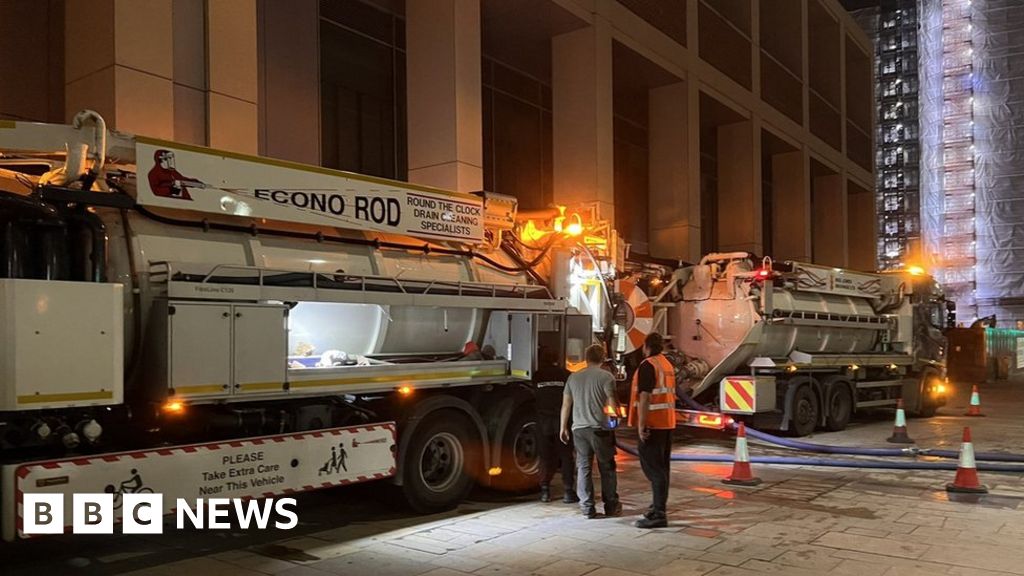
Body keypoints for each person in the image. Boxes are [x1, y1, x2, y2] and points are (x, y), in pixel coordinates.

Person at [560, 344, 621, 518]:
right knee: (607, 467)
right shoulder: (606, 377)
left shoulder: (573, 378)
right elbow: (611, 400)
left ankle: (587, 507)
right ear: (603, 358)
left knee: (583, 467)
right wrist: (615, 418)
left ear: (586, 359)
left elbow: (566, 404)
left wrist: (563, 427)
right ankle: (611, 505)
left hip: (579, 429)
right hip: (599, 429)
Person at [628, 332, 677, 528]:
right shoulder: (666, 364)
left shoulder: (648, 365)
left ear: (646, 347)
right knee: (662, 469)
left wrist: (641, 425)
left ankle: (658, 513)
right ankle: (658, 506)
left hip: (652, 424)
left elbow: (645, 396)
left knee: (654, 470)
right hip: (667, 423)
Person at [534, 347, 577, 503]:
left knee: (545, 456)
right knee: (566, 456)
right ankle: (568, 492)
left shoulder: (537, 376)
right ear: (557, 359)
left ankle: (545, 491)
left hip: (543, 421)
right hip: (562, 421)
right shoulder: (566, 375)